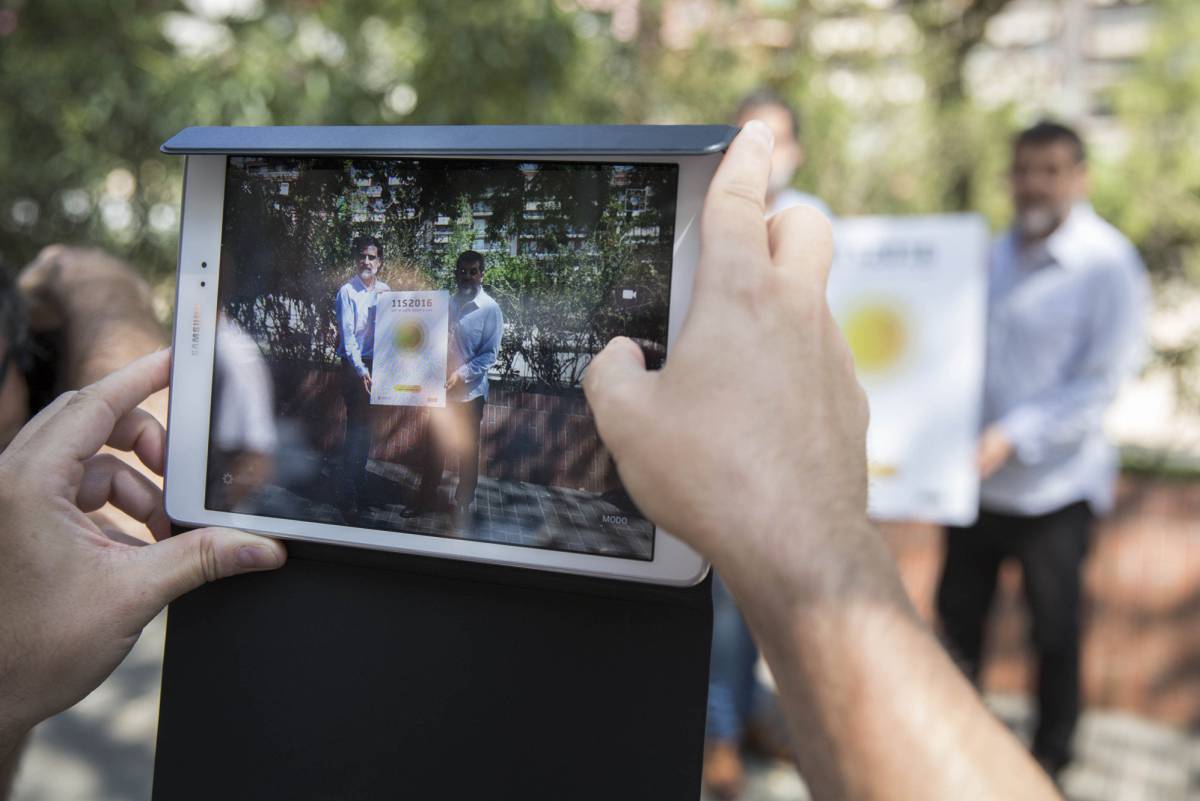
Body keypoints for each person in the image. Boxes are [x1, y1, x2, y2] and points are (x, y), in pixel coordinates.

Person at [0, 124, 1061, 801]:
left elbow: (477, 355)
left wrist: (801, 544)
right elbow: (365, 341)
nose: (390, 263)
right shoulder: (379, 298)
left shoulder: (482, 306)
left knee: (442, 491)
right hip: (381, 395)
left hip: (445, 401)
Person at [935, 121, 1148, 778]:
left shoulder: (1109, 264)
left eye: (1051, 170)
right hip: (974, 485)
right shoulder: (989, 255)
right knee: (956, 620)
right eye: (1025, 169)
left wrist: (1012, 435)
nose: (1035, 183)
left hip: (1055, 489)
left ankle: (1050, 762)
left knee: (1054, 634)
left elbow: (1099, 385)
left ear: (1078, 178)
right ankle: (956, 748)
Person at [704, 89, 833, 798]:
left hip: (790, 451)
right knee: (723, 602)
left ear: (797, 150)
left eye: (774, 138)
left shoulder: (818, 223)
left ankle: (748, 713)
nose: (761, 150)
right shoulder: (707, 219)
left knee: (761, 598)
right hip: (723, 448)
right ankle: (718, 733)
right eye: (745, 135)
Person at [412, 250, 502, 526]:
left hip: (470, 394)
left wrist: (461, 374)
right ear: (456, 273)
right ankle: (425, 498)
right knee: (435, 446)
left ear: (482, 274)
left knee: (467, 451)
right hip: (440, 392)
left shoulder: (490, 309)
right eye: (462, 271)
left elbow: (490, 354)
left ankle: (463, 503)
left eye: (473, 271)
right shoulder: (446, 304)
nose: (467, 276)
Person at [335, 234, 391, 521]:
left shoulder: (385, 291)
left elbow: (393, 332)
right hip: (355, 367)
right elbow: (348, 339)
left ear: (379, 263)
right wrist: (361, 372)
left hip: (376, 367)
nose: (366, 261)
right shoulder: (347, 291)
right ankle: (348, 496)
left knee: (367, 432)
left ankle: (358, 486)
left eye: (371, 257)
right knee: (356, 431)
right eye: (362, 256)